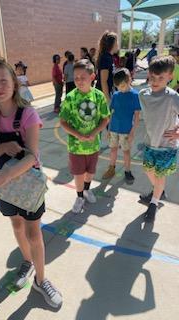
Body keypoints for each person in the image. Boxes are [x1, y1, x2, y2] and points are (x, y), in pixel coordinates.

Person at [0, 57, 62, 308]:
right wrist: (2, 146)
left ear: (14, 83)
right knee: (16, 225)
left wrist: (6, 174)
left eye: (3, 80)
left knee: (33, 232)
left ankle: (41, 279)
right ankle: (27, 262)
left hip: (28, 184)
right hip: (6, 187)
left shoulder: (28, 114)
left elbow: (32, 156)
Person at [59, 59, 110, 213]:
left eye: (83, 77)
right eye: (76, 78)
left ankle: (87, 190)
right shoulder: (70, 98)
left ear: (92, 77)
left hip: (93, 145)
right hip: (76, 146)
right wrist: (78, 135)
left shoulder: (99, 96)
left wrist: (94, 133)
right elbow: (63, 121)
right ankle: (80, 196)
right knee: (78, 173)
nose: (79, 81)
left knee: (90, 172)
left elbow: (105, 118)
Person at [139, 55, 179, 222]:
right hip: (150, 143)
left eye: (161, 78)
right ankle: (159, 190)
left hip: (166, 145)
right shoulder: (143, 94)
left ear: (170, 76)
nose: (155, 81)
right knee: (149, 171)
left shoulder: (172, 97)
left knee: (160, 175)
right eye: (153, 77)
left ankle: (154, 204)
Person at [102, 68, 141, 183]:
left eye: (123, 85)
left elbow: (137, 117)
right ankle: (111, 168)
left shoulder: (135, 95)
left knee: (126, 151)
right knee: (113, 149)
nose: (120, 89)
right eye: (118, 87)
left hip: (126, 130)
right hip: (114, 128)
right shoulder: (116, 95)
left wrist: (132, 132)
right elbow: (112, 113)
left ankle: (127, 171)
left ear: (129, 80)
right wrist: (109, 129)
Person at [96, 31, 118, 103]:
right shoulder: (105, 58)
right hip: (103, 95)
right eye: (116, 42)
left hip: (107, 92)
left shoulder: (109, 57)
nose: (118, 44)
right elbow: (103, 81)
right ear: (112, 44)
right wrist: (107, 99)